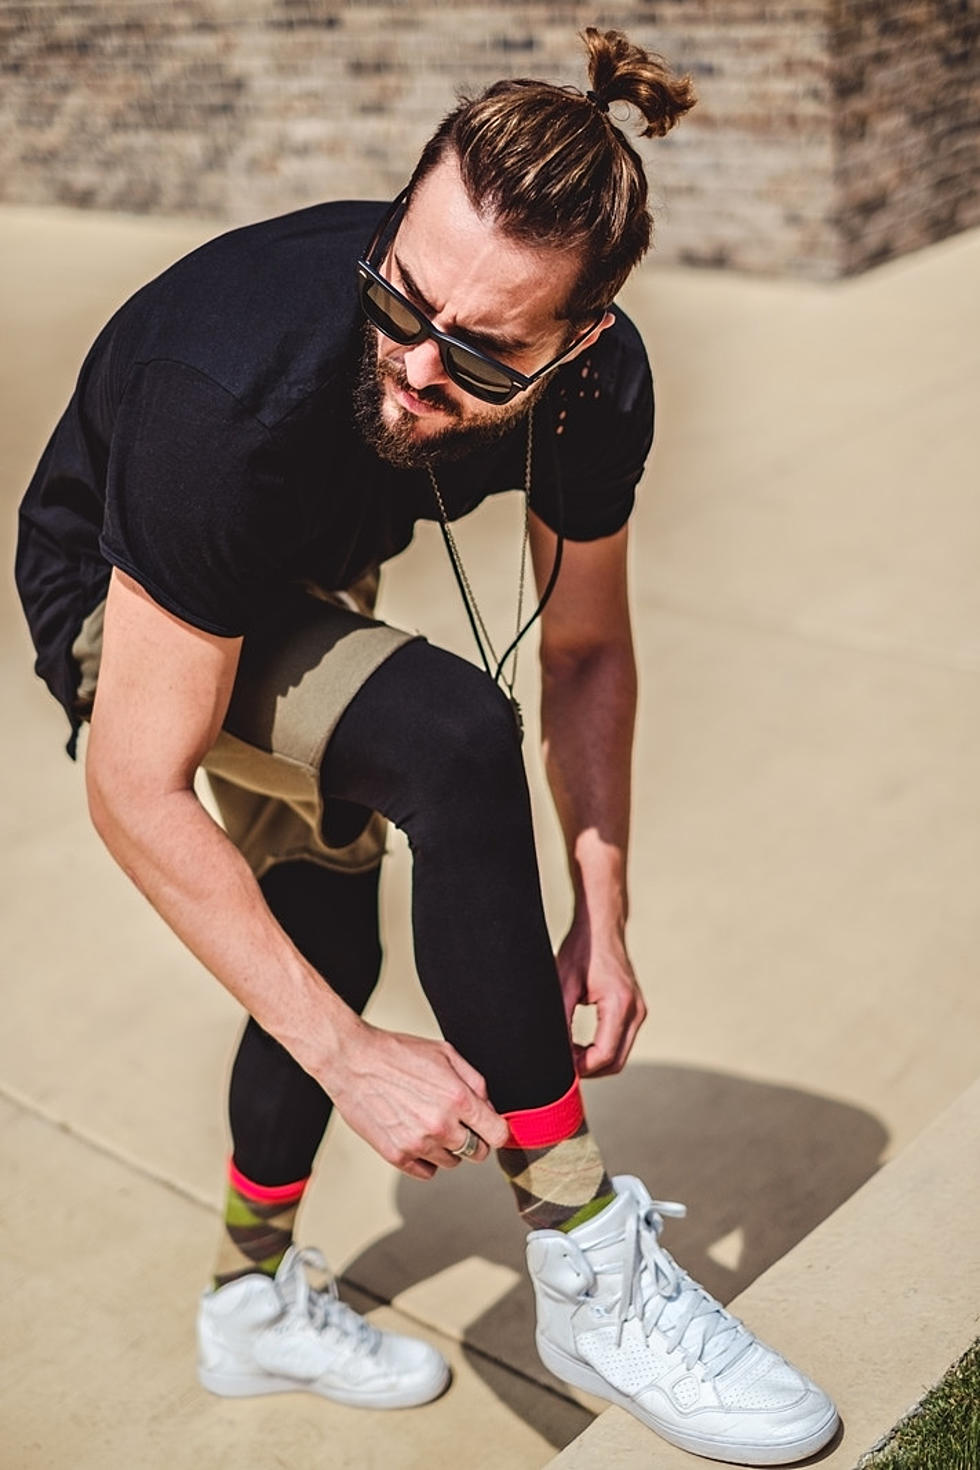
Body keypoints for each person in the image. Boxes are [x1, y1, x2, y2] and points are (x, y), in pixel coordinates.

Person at [15, 27, 839, 1466]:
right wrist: (349, 1061)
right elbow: (133, 785)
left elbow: (584, 645)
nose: (415, 364)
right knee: (451, 738)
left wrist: (605, 904)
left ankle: (250, 1295)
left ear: (577, 339)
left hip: (305, 571)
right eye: (403, 300)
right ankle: (587, 1257)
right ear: (397, 220)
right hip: (131, 593)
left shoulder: (599, 391)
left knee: (323, 947)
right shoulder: (229, 387)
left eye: (479, 348)